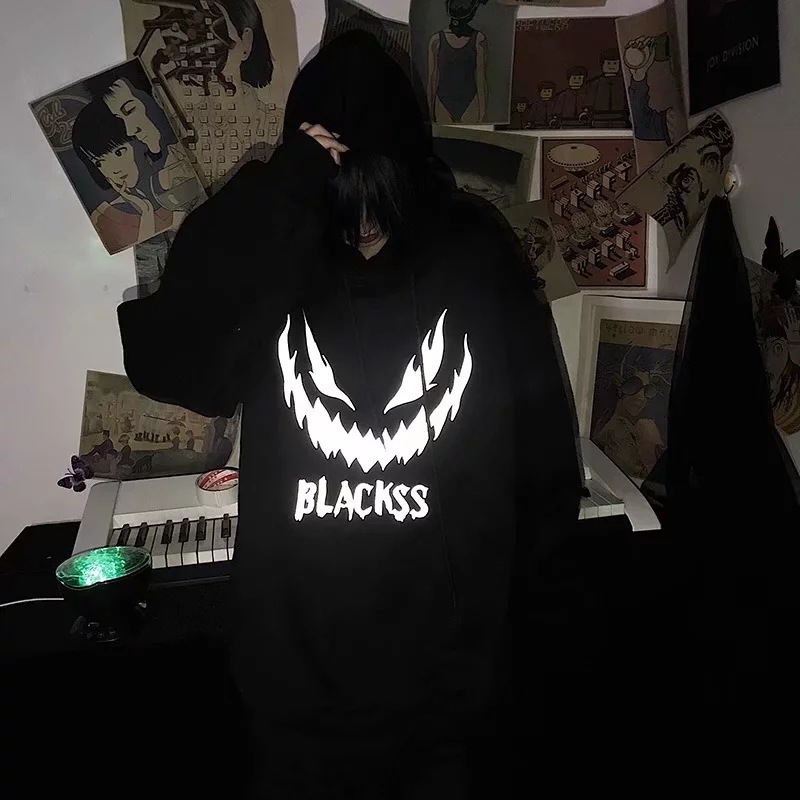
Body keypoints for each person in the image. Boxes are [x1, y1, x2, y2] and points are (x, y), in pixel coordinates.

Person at [118, 31, 580, 797]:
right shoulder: (277, 262)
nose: (364, 213)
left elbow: (544, 470)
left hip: (446, 708)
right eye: (336, 168)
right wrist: (282, 186)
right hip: (296, 704)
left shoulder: (475, 255)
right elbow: (169, 363)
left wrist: (506, 645)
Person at [71, 100, 172, 253]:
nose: (114, 170)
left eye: (119, 153)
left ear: (139, 141)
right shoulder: (105, 218)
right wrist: (146, 211)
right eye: (99, 163)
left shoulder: (177, 181)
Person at [427, 0, 489, 124]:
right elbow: (432, 79)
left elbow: (481, 79)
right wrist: (429, 110)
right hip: (443, 101)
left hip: (470, 102)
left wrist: (482, 113)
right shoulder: (436, 40)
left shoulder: (479, 39)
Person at [584, 49, 629, 127]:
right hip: (599, 118)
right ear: (602, 65)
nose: (612, 66)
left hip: (620, 118)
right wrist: (586, 110)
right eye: (608, 63)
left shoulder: (623, 82)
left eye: (615, 63)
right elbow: (590, 98)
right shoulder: (596, 83)